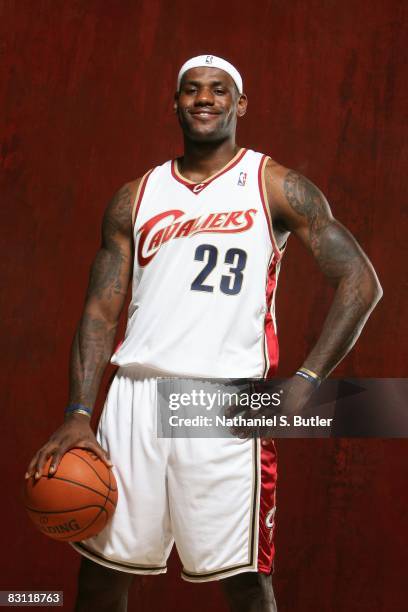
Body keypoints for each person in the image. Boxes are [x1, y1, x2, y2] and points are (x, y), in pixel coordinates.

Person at [25, 54, 382, 612]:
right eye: (192, 90)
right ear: (175, 103)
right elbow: (99, 311)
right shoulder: (134, 197)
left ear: (240, 105)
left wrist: (309, 379)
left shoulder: (275, 185)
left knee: (244, 583)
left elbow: (361, 281)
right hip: (134, 401)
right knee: (100, 580)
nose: (204, 99)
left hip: (222, 402)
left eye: (219, 90)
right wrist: (77, 411)